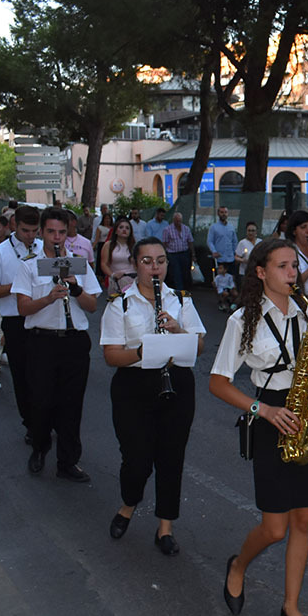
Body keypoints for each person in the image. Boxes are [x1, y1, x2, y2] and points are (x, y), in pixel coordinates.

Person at [210, 239, 308, 616]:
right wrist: (262, 411)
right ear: (261, 273)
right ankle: (238, 565)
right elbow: (218, 382)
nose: (291, 273)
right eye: (283, 266)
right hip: (270, 414)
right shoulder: (242, 320)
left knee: (304, 519)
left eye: (293, 266)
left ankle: (292, 606)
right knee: (274, 528)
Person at [102, 236, 206, 555]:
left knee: (171, 457)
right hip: (134, 386)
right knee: (137, 458)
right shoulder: (120, 303)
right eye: (147, 261)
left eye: (160, 260)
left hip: (175, 382)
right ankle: (129, 503)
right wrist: (141, 351)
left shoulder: (181, 300)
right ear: (135, 265)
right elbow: (111, 355)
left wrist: (177, 331)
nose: (155, 267)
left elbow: (199, 346)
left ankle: (165, 527)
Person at [14, 207, 102, 483]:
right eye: (51, 231)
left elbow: (91, 306)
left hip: (74, 341)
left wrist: (75, 288)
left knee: (71, 404)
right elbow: (23, 308)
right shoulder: (30, 265)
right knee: (41, 401)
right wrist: (48, 298)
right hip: (42, 341)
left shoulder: (79, 263)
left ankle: (68, 461)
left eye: (61, 232)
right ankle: (40, 448)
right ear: (41, 233)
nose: (56, 237)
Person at [0, 206, 43, 443]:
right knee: (22, 375)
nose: (31, 236)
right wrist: (19, 285)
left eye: (35, 231)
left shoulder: (43, 248)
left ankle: (45, 418)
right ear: (14, 225)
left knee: (45, 374)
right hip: (16, 321)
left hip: (43, 317)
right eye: (26, 230)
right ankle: (31, 423)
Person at [100, 217, 138, 295]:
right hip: (118, 280)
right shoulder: (108, 245)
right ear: (116, 231)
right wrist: (113, 275)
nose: (124, 230)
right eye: (121, 227)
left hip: (134, 279)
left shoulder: (135, 246)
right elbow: (103, 264)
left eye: (127, 228)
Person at [161, 211, 194, 291]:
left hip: (184, 253)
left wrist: (193, 254)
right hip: (173, 255)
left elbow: (190, 242)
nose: (178, 222)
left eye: (179, 220)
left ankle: (186, 292)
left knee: (185, 273)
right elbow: (164, 243)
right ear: (173, 220)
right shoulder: (167, 230)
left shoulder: (186, 229)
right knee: (176, 274)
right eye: (176, 220)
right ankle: (179, 292)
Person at [207, 205, 238, 282]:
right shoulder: (213, 227)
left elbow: (234, 241)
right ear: (218, 214)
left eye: (225, 212)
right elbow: (209, 241)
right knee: (220, 281)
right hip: (220, 258)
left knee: (231, 280)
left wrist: (235, 253)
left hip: (230, 258)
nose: (224, 214)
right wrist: (214, 251)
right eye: (222, 212)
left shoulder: (231, 227)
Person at [234, 221, 259, 286]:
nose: (251, 233)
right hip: (245, 273)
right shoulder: (242, 243)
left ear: (256, 232)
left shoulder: (260, 242)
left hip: (257, 273)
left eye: (253, 231)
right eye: (249, 230)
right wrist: (243, 260)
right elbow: (236, 257)